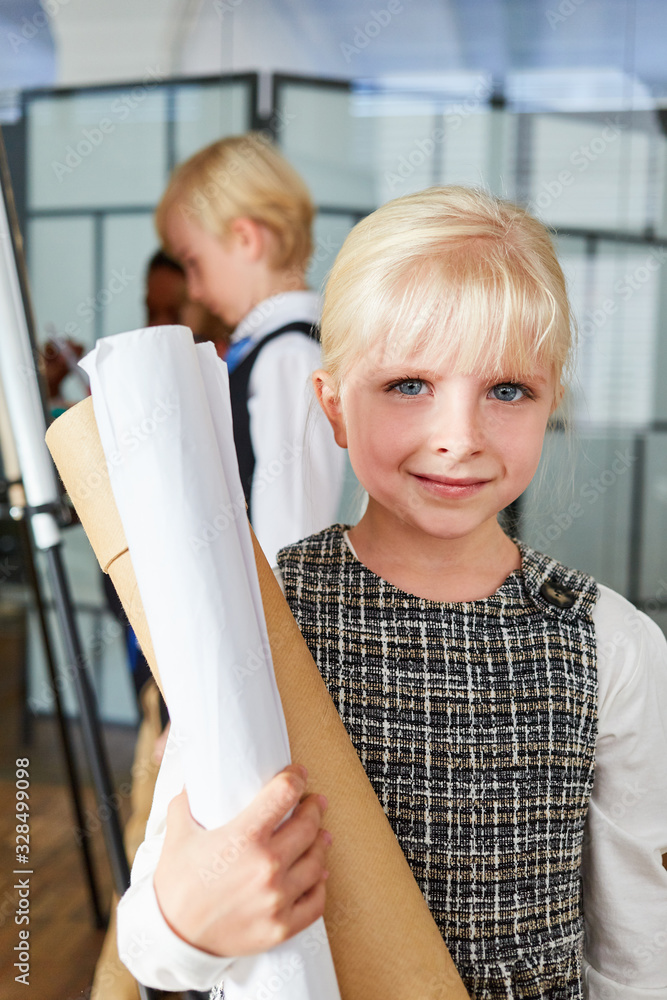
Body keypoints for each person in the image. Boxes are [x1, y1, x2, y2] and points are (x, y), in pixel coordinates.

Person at [117, 186, 667, 999]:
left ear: (550, 401)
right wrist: (191, 921)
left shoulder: (609, 644)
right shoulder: (261, 619)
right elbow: (152, 938)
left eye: (507, 390)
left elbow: (632, 951)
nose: (459, 436)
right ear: (334, 406)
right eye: (408, 384)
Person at [155, 132, 346, 564]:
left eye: (192, 261)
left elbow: (291, 541)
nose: (196, 291)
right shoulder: (270, 349)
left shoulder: (288, 357)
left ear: (245, 239)